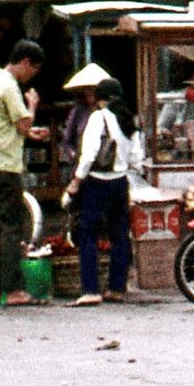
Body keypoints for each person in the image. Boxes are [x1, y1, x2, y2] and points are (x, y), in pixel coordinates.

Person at [64, 78, 136, 306]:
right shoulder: (129, 119)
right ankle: (117, 288)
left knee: (88, 233)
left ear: (99, 98)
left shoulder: (98, 117)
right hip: (120, 182)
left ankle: (91, 290)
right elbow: (137, 156)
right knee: (120, 235)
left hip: (97, 182)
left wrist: (76, 181)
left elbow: (89, 154)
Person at [0, 40, 50, 306]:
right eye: (34, 70)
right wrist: (32, 104)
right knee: (10, 227)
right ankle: (13, 289)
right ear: (26, 62)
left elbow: (7, 126)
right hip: (5, 166)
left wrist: (29, 133)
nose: (32, 76)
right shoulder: (9, 86)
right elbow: (22, 123)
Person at [55, 62, 113, 177]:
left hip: (107, 169)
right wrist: (73, 155)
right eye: (87, 89)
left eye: (93, 89)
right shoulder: (78, 112)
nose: (89, 93)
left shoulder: (111, 113)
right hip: (82, 168)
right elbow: (67, 139)